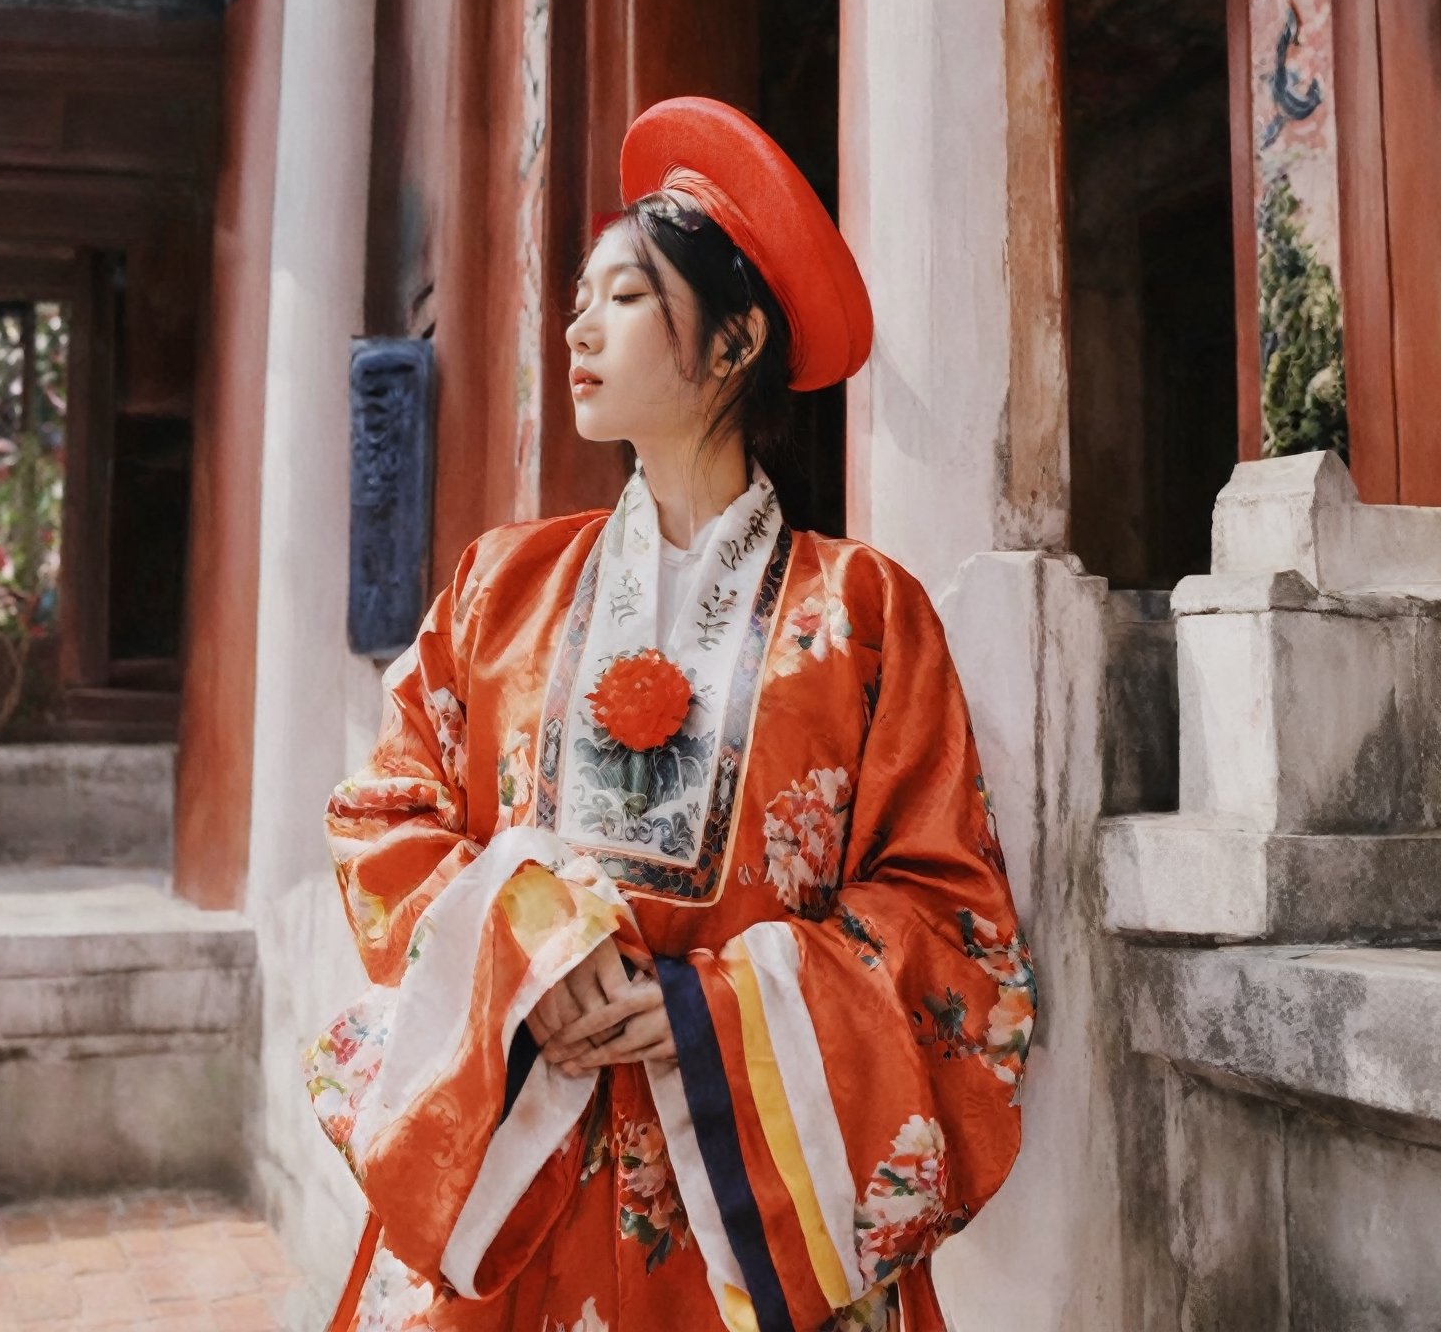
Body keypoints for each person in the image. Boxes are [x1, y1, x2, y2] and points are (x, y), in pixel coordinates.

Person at [307, 97, 1034, 1332]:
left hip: (752, 1201)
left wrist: (716, 1008)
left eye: (625, 296)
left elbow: (948, 916)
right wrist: (532, 943)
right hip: (530, 1153)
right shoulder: (503, 587)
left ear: (737, 338)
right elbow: (388, 809)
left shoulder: (863, 613)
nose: (578, 324)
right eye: (581, 296)